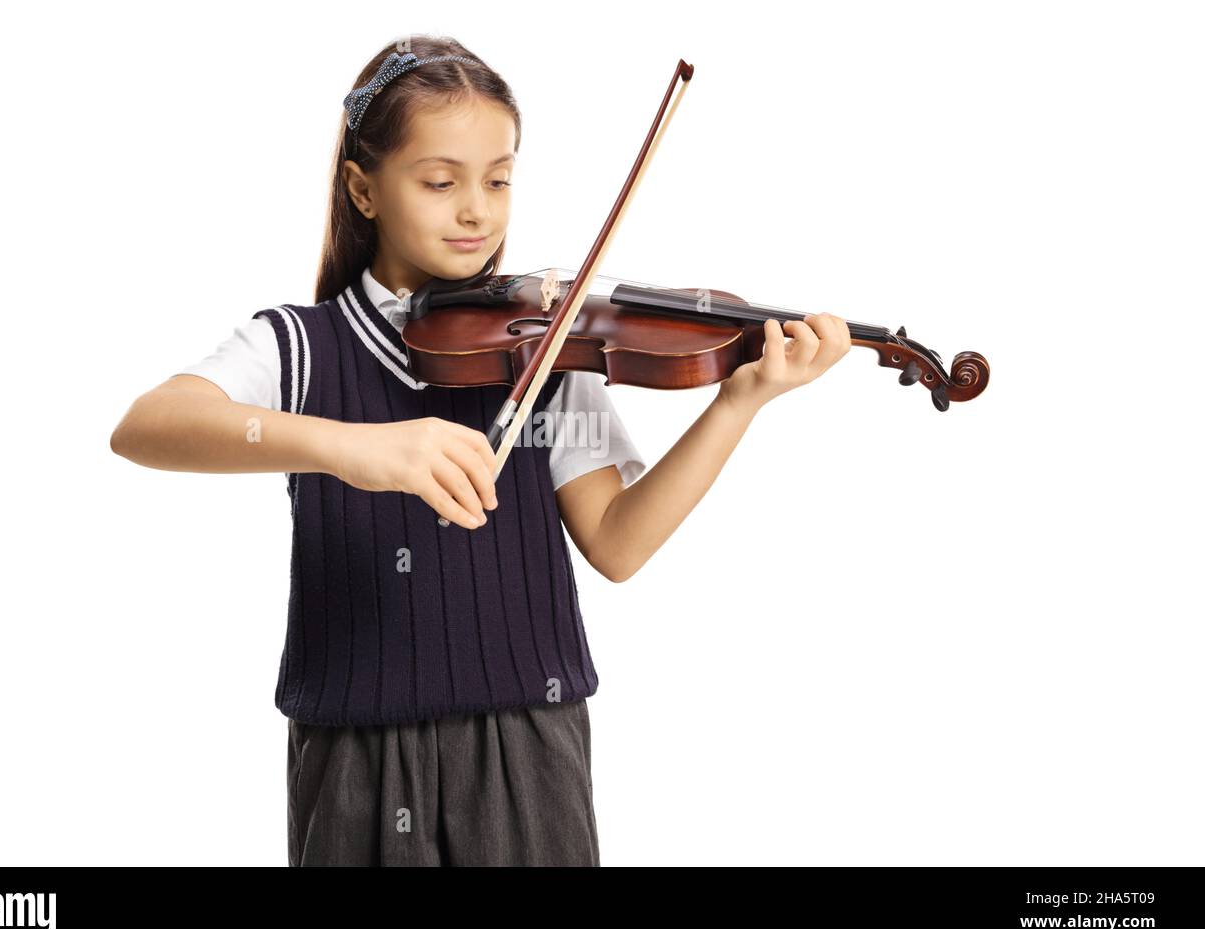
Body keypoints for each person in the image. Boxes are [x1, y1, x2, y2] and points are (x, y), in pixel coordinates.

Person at [109, 35, 851, 866]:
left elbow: (618, 539)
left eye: (499, 179)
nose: (477, 210)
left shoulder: (543, 345)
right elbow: (148, 424)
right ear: (364, 189)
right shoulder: (301, 347)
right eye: (440, 181)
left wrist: (738, 402)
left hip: (530, 744)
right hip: (356, 750)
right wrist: (351, 448)